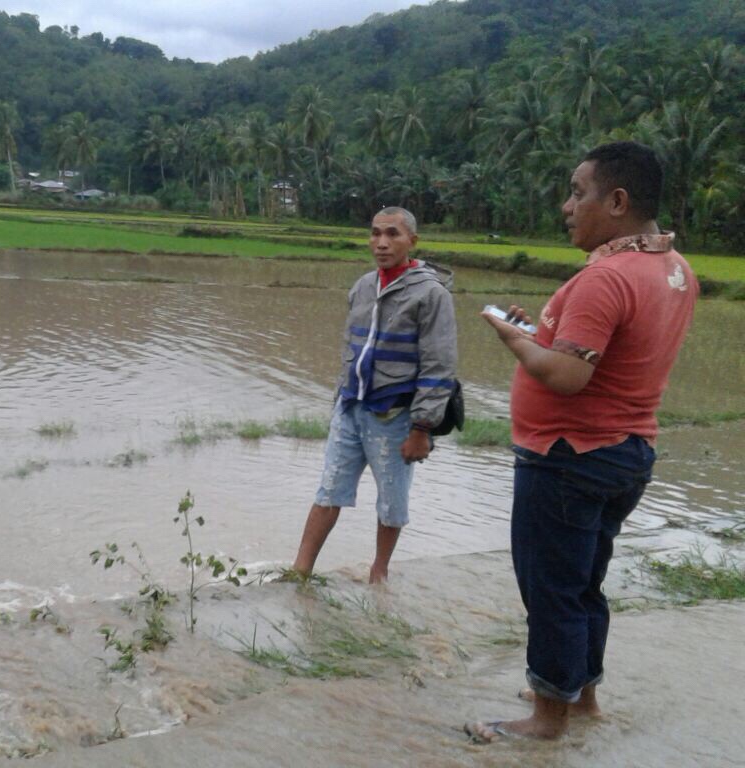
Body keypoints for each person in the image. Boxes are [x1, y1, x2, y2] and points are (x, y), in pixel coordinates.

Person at [467, 141, 697, 742]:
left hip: (569, 456)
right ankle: (581, 696)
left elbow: (568, 376)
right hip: (626, 452)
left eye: (578, 192)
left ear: (617, 201)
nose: (568, 206)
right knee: (584, 582)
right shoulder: (673, 269)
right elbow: (605, 349)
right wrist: (538, 328)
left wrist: (509, 337)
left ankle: (546, 721)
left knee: (551, 590)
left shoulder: (607, 276)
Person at [291, 207, 458, 584]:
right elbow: (350, 349)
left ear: (411, 241)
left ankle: (378, 574)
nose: (382, 243)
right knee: (328, 489)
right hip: (352, 408)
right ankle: (299, 571)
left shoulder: (431, 294)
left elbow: (439, 366)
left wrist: (421, 428)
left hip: (396, 416)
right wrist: (339, 401)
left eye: (393, 234)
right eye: (376, 233)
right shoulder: (364, 286)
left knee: (391, 502)